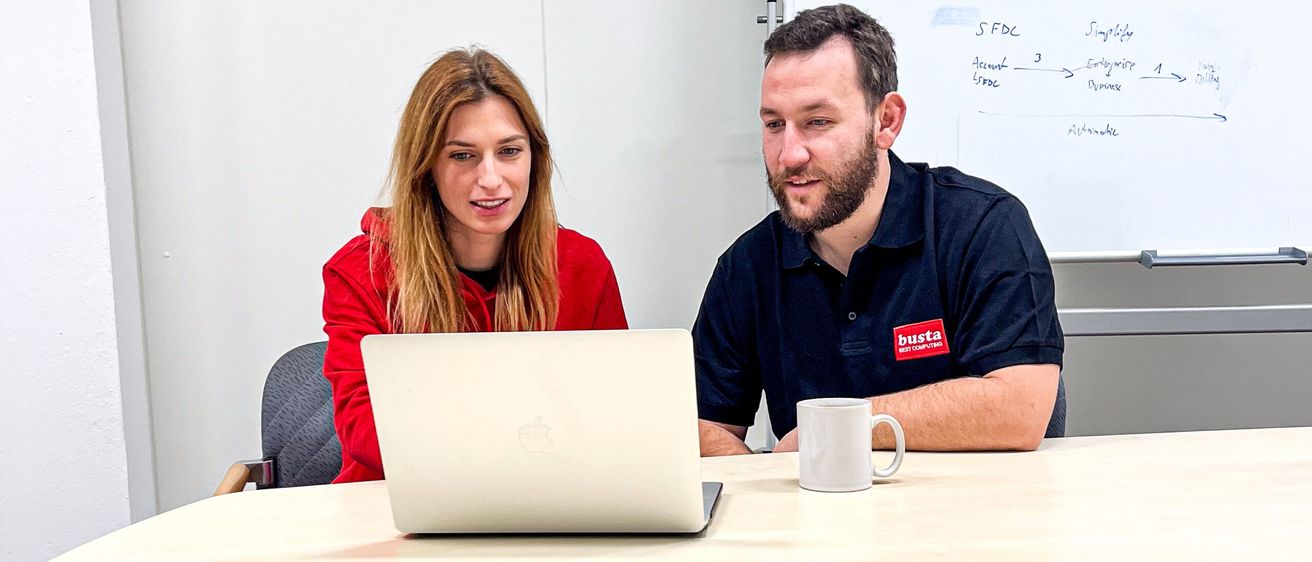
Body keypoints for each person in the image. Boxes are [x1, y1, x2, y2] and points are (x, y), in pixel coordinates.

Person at [695, 4, 1064, 456]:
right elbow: (701, 425)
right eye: (774, 124)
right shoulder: (747, 265)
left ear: (885, 122)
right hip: (821, 518)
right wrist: (761, 495)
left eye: (817, 122)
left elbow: (1020, 408)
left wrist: (834, 429)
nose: (788, 154)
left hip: (975, 517)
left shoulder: (982, 225)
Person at [322, 48, 628, 483]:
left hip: (546, 496)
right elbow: (363, 429)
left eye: (509, 151)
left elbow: (612, 411)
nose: (490, 179)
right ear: (426, 166)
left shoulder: (583, 264)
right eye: (463, 156)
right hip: (401, 508)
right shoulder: (361, 272)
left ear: (534, 157)